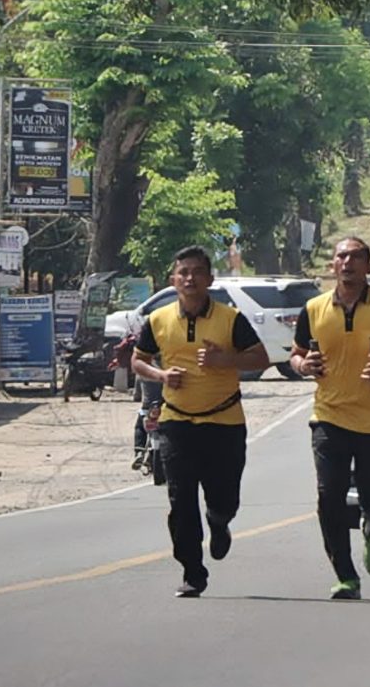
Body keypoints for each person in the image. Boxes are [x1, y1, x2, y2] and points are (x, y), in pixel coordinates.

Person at [132, 246, 270, 598]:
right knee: (180, 501)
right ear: (173, 280)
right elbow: (137, 361)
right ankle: (192, 571)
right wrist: (161, 375)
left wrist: (227, 359)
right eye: (184, 272)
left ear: (210, 279)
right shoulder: (159, 320)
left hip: (224, 422)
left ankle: (220, 522)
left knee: (224, 498)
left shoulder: (230, 318)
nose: (190, 278)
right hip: (176, 422)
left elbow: (261, 358)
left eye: (197, 272)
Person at [289, 237, 370, 600]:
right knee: (328, 495)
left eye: (355, 257)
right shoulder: (314, 308)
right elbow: (296, 355)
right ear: (332, 265)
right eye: (341, 256)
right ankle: (346, 576)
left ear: (369, 267)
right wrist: (304, 365)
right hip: (329, 417)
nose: (347, 262)